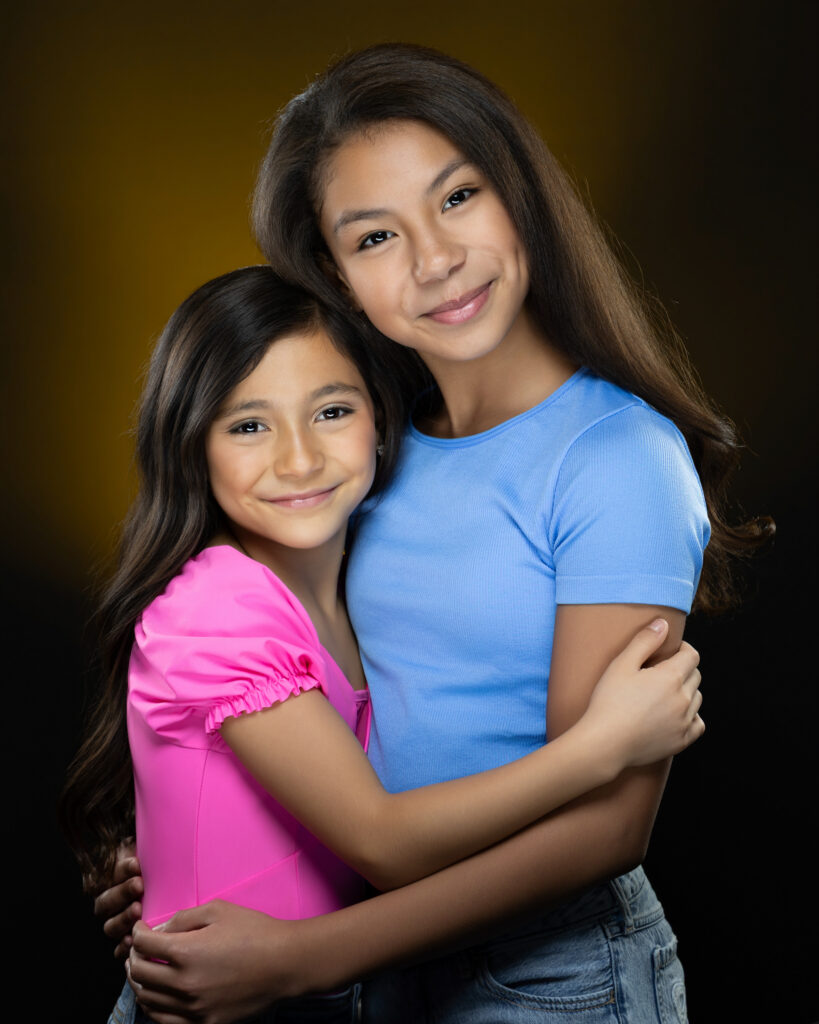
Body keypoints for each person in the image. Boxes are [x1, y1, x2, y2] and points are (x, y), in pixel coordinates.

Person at [97, 44, 770, 1023]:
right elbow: (286, 684)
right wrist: (184, 862)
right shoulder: (359, 450)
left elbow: (605, 829)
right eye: (375, 238)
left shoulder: (615, 456)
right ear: (335, 269)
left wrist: (298, 956)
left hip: (543, 971)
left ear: (521, 196)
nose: (435, 259)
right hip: (371, 958)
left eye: (458, 199)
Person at [59, 264, 704, 1024]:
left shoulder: (348, 578)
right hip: (228, 1003)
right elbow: (381, 838)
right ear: (189, 444)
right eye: (247, 425)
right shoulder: (218, 605)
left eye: (331, 411)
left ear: (378, 415)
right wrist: (597, 746)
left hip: (332, 994)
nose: (298, 459)